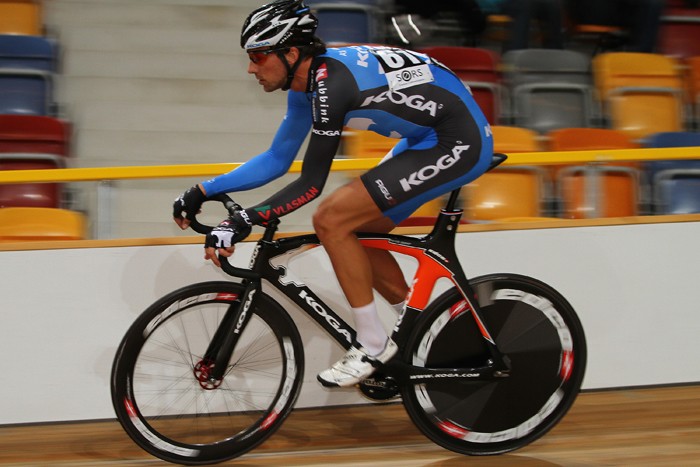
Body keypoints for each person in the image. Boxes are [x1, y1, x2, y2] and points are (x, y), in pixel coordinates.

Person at [173, 0, 493, 388]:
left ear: (291, 53)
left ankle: (372, 345)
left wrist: (245, 218)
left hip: (457, 141)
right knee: (356, 229)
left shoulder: (332, 85)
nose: (251, 69)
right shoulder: (306, 83)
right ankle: (424, 333)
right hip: (425, 135)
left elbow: (311, 185)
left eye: (258, 56)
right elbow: (277, 159)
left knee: (332, 219)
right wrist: (203, 190)